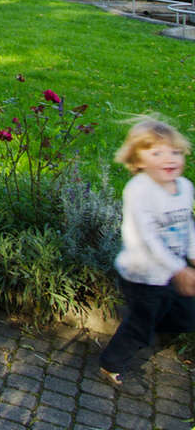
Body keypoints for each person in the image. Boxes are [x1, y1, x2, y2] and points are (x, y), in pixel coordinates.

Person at [98, 118, 195, 386]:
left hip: (172, 270)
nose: (169, 158)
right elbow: (148, 238)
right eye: (157, 153)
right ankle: (111, 363)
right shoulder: (139, 191)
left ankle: (147, 320)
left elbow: (187, 223)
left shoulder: (185, 187)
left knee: (186, 315)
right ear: (138, 160)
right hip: (142, 274)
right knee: (141, 327)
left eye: (174, 152)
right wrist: (179, 269)